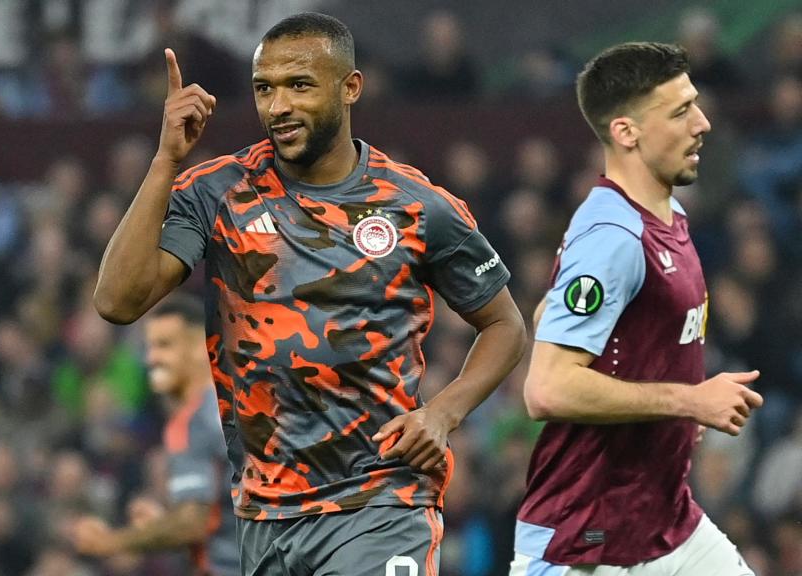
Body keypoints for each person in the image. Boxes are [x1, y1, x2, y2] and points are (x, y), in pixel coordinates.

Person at [93, 11, 526, 576]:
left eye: (299, 85)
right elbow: (117, 302)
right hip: (264, 513)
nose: (278, 106)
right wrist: (164, 162)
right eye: (264, 89)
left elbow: (506, 325)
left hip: (379, 502)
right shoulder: (217, 192)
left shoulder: (416, 204)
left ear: (350, 88)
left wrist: (443, 413)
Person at [511, 42, 764, 575]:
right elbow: (547, 388)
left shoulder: (663, 211)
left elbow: (549, 317)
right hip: (586, 539)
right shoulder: (614, 235)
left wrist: (670, 404)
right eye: (680, 112)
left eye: (695, 103)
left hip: (666, 525)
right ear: (626, 132)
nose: (703, 123)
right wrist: (688, 401)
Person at [74, 294, 238, 576]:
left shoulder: (193, 423)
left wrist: (113, 542)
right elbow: (219, 515)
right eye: (149, 346)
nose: (152, 358)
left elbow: (192, 524)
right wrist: (165, 524)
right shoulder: (246, 399)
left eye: (165, 346)